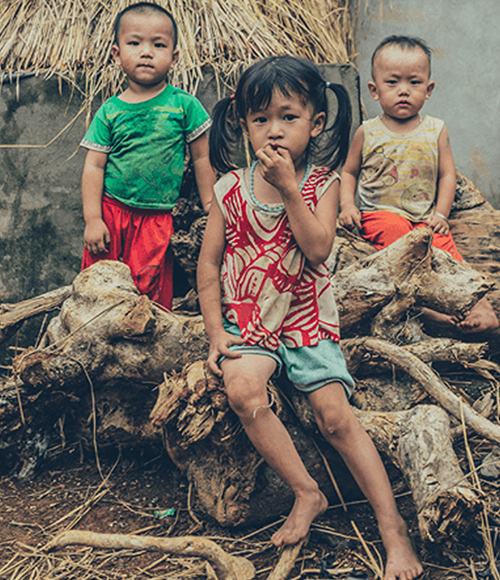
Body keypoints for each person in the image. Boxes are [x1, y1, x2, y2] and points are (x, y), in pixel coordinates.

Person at [197, 55, 423, 580]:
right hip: (250, 325)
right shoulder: (229, 190)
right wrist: (214, 333)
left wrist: (289, 189)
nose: (274, 130)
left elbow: (318, 248)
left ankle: (393, 529)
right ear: (243, 124)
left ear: (316, 123)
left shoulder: (323, 184)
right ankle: (306, 491)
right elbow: (208, 265)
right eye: (260, 119)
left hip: (305, 321)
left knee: (336, 417)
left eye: (288, 117)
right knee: (243, 390)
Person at [339, 35, 498, 333]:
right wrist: (348, 206)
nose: (403, 90)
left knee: (449, 256)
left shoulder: (436, 130)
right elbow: (348, 172)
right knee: (400, 241)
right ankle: (426, 308)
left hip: (425, 219)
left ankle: (483, 308)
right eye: (392, 82)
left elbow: (446, 175)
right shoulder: (367, 131)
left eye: (414, 82)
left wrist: (440, 214)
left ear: (429, 89)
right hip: (381, 215)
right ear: (374, 90)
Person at [80, 2, 215, 309]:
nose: (146, 52)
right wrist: (93, 219)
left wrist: (210, 206)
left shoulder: (184, 105)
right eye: (134, 43)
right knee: (99, 292)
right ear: (116, 54)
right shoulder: (110, 112)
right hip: (111, 215)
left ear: (174, 57)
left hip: (157, 219)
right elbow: (94, 166)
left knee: (148, 295)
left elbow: (201, 159)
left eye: (158, 45)